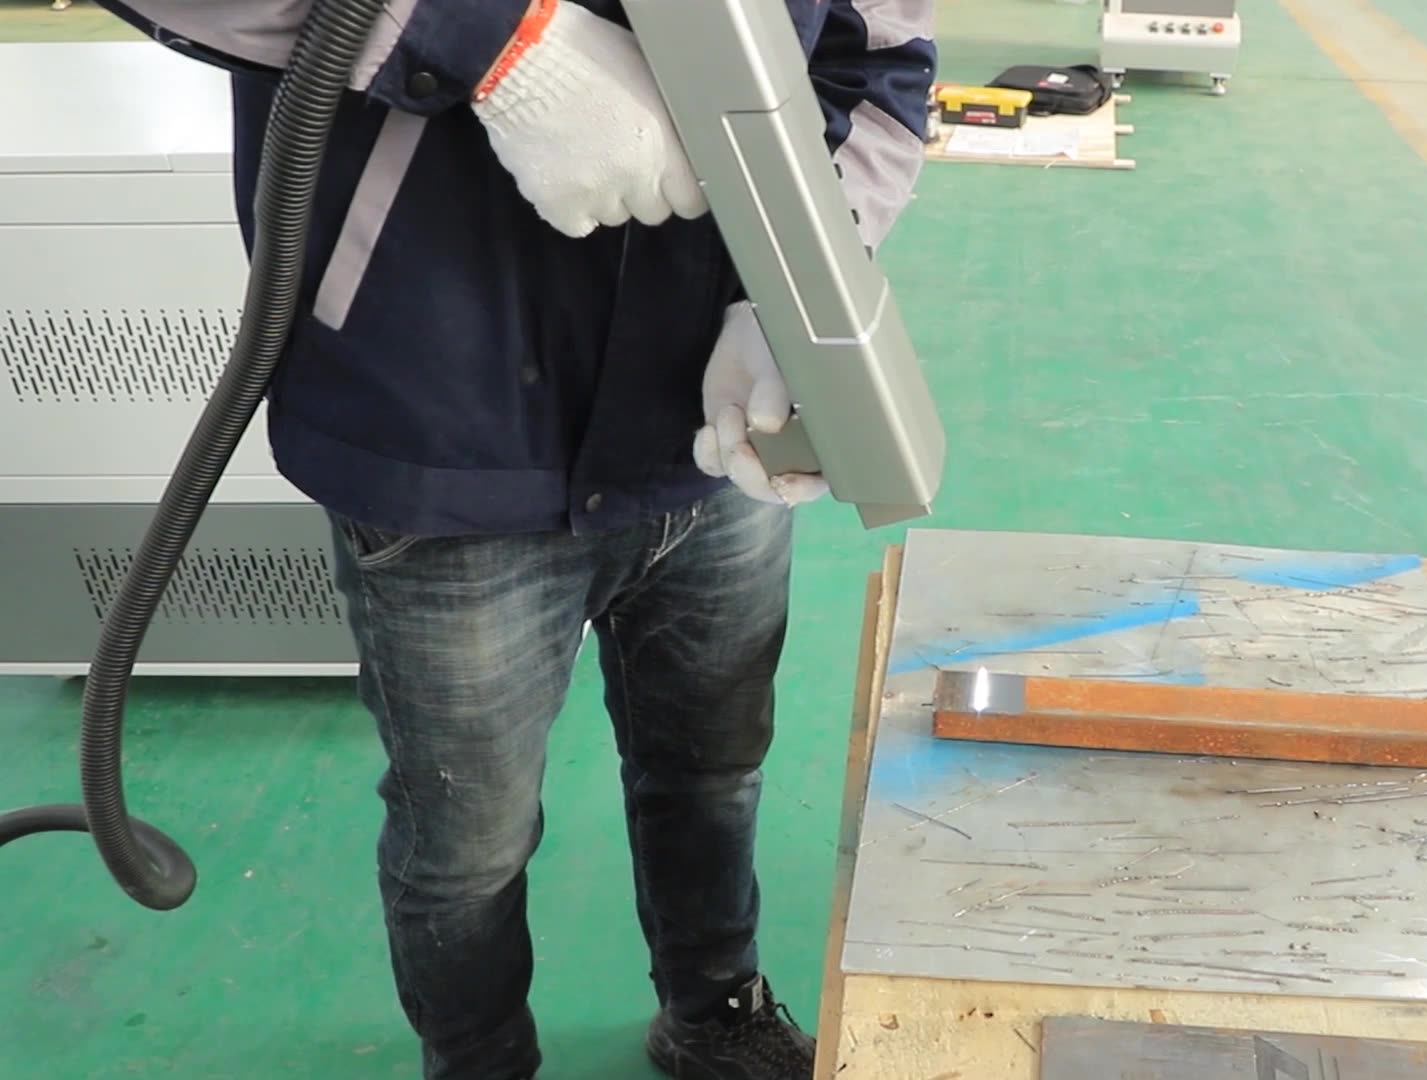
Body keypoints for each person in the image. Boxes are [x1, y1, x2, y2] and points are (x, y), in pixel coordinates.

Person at [93, 1, 936, 1077]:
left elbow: (880, 52)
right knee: (469, 842)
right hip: (445, 425)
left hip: (711, 422)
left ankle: (715, 1012)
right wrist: (492, 41)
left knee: (713, 768)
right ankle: (481, 1062)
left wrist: (801, 287)